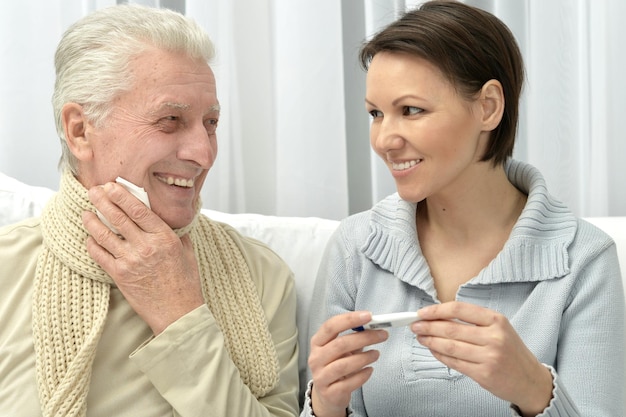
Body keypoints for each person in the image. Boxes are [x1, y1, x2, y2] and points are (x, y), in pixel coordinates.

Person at [300, 1, 624, 416]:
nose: (384, 139)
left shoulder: (583, 259)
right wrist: (325, 404)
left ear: (488, 106)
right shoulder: (355, 247)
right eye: (376, 113)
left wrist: (533, 389)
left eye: (411, 110)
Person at [0, 5, 299, 416]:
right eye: (170, 120)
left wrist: (179, 314)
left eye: (211, 123)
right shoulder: (6, 270)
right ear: (80, 131)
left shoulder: (263, 277)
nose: (204, 153)